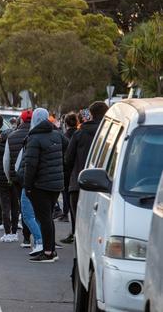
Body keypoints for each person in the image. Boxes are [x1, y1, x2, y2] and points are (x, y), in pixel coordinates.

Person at [21, 108, 67, 263]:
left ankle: (47, 252)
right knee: (48, 218)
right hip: (56, 184)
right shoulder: (58, 135)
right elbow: (67, 152)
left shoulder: (34, 138)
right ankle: (51, 249)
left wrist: (27, 186)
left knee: (44, 218)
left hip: (40, 184)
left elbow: (30, 165)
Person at [63, 102, 108, 245]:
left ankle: (77, 243)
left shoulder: (79, 133)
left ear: (91, 114)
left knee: (78, 221)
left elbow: (68, 159)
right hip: (105, 187)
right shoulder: (109, 133)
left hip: (79, 183)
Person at [3, 110, 38, 252]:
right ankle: (40, 237)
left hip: (17, 177)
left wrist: (9, 177)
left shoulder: (11, 136)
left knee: (24, 208)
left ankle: (26, 237)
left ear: (21, 121)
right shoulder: (37, 135)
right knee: (37, 208)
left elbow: (6, 159)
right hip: (36, 177)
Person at [0, 115, 21, 242]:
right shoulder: (15, 146)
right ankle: (14, 232)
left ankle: (7, 232)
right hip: (13, 177)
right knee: (15, 206)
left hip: (0, 179)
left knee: (4, 206)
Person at [59, 113, 79, 227]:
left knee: (67, 195)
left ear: (65, 123)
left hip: (67, 171)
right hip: (80, 169)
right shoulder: (80, 134)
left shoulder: (64, 137)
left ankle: (66, 213)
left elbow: (65, 156)